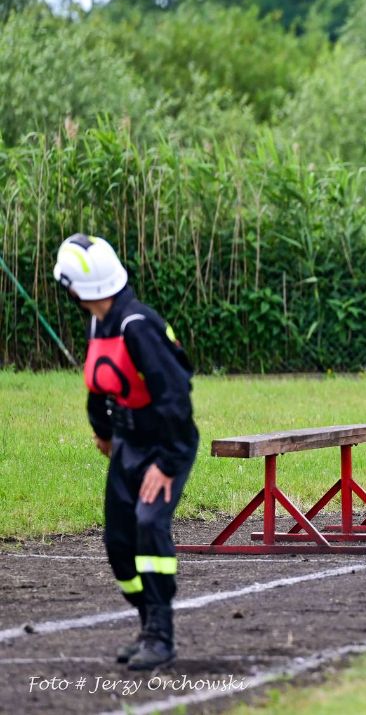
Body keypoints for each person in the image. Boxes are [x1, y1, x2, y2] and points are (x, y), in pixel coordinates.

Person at [53, 234, 199, 670]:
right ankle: (145, 624)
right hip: (128, 442)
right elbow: (99, 384)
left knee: (149, 526)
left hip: (165, 443)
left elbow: (176, 396)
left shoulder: (138, 325)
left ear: (75, 289)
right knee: (119, 541)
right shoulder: (101, 322)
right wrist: (103, 431)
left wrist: (168, 464)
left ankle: (161, 634)